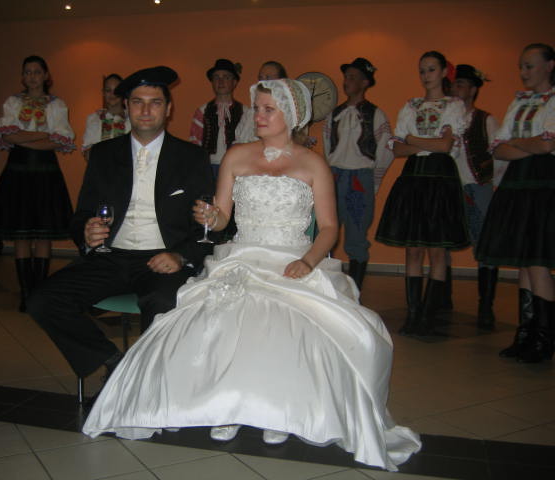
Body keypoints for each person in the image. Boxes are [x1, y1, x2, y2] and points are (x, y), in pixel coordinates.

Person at [83, 78, 421, 472]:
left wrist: (309, 261)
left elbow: (330, 228)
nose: (257, 116)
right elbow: (222, 219)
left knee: (286, 319)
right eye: (256, 108)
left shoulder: (312, 163)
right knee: (223, 314)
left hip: (293, 256)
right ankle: (224, 403)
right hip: (243, 254)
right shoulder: (237, 156)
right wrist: (211, 216)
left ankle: (277, 410)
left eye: (267, 109)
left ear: (291, 115)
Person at [26, 66, 215, 381]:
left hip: (162, 258)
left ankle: (151, 381)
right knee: (42, 300)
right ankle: (114, 362)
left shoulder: (192, 157)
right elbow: (81, 215)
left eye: (155, 102)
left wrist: (181, 256)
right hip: (110, 257)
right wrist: (86, 233)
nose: (145, 110)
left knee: (165, 301)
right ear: (126, 106)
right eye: (137, 102)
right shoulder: (102, 154)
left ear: (169, 109)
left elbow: (206, 227)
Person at [375, 51, 469, 336]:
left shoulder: (454, 106)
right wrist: (428, 142)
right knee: (413, 248)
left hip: (440, 178)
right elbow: (398, 149)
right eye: (422, 70)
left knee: (437, 249)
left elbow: (444, 146)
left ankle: (429, 314)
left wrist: (413, 139)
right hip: (414, 177)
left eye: (431, 69)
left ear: (443, 72)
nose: (426, 75)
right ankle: (413, 313)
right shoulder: (411, 106)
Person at [477, 43, 555, 363]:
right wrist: (530, 145)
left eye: (530, 66)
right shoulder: (519, 102)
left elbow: (548, 145)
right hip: (518, 183)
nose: (523, 72)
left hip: (544, 183)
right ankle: (526, 334)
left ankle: (544, 339)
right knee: (524, 260)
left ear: (549, 66)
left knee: (537, 260)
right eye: (521, 66)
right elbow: (498, 148)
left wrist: (519, 145)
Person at [0, 55, 76, 312]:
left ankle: (39, 292)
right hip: (17, 172)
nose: (32, 76)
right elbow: (8, 135)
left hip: (46, 172)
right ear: (22, 76)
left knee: (43, 232)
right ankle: (26, 293)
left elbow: (60, 139)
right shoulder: (13, 102)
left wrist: (23, 138)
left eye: (37, 72)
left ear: (46, 76)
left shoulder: (57, 104)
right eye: (27, 72)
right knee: (21, 233)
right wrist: (43, 135)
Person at [323, 58, 394, 291]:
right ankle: (326, 287)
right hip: (335, 176)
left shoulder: (376, 114)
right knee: (327, 231)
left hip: (359, 179)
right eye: (346, 77)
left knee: (356, 236)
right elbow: (327, 147)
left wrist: (373, 180)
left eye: (353, 77)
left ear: (365, 82)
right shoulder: (335, 113)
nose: (347, 81)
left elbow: (386, 150)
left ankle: (355, 291)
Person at [449, 64, 502, 329]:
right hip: (451, 188)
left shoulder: (486, 120)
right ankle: (442, 298)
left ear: (472, 89)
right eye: (454, 84)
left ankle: (486, 305)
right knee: (444, 242)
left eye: (460, 84)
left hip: (478, 187)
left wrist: (491, 185)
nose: (454, 89)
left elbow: (498, 157)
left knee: (485, 246)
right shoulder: (447, 119)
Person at [190, 58, 249, 177]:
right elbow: (194, 143)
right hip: (208, 167)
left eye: (226, 77)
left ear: (234, 82)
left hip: (236, 168)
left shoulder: (246, 112)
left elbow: (249, 144)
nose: (220, 81)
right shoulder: (202, 111)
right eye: (216, 77)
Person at [235, 60, 288, 144]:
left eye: (268, 78)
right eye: (260, 78)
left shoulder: (287, 112)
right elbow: (238, 139)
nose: (262, 82)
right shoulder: (249, 113)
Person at [81, 73, 130, 161]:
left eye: (116, 90)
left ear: (123, 92)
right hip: (100, 168)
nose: (112, 94)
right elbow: (87, 155)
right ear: (103, 93)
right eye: (108, 90)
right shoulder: (94, 119)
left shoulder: (132, 119)